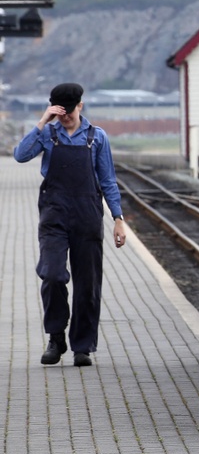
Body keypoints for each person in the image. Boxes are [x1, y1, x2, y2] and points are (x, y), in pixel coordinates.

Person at [13, 82, 127, 367]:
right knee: (51, 275)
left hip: (87, 215)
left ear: (80, 106)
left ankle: (82, 347)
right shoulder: (47, 134)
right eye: (60, 112)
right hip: (54, 215)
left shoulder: (97, 137)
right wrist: (42, 121)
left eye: (69, 111)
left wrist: (118, 219)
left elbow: (108, 181)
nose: (65, 118)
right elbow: (20, 155)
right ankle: (56, 337)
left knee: (88, 284)